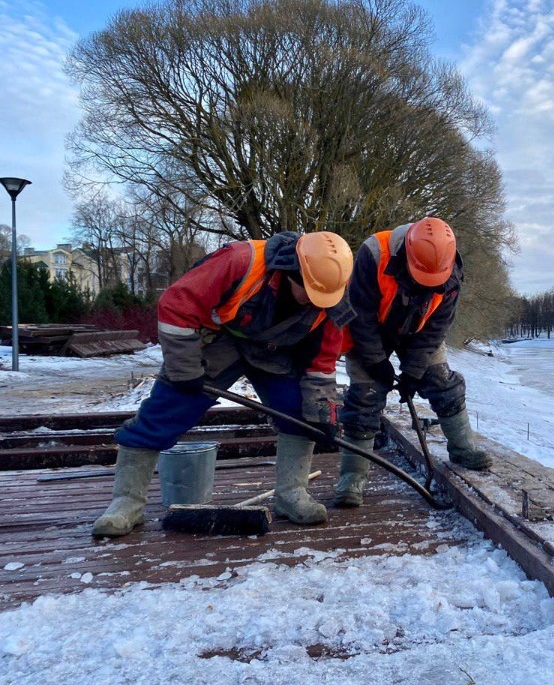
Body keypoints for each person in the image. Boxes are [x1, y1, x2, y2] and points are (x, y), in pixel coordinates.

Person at [92, 231, 354, 537]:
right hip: (220, 340)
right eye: (307, 292)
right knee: (166, 410)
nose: (313, 301)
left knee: (300, 414)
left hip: (277, 350)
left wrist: (323, 414)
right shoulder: (240, 261)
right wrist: (185, 370)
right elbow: (176, 306)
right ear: (289, 272)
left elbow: (322, 364)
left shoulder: (333, 292)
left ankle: (291, 495)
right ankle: (127, 502)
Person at [334, 217, 492, 508]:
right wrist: (377, 362)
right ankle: (352, 477)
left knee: (442, 383)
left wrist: (413, 372)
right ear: (407, 254)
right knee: (365, 396)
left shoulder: (452, 273)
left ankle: (463, 449)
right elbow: (361, 314)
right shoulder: (373, 254)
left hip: (418, 329)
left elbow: (436, 328)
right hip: (369, 329)